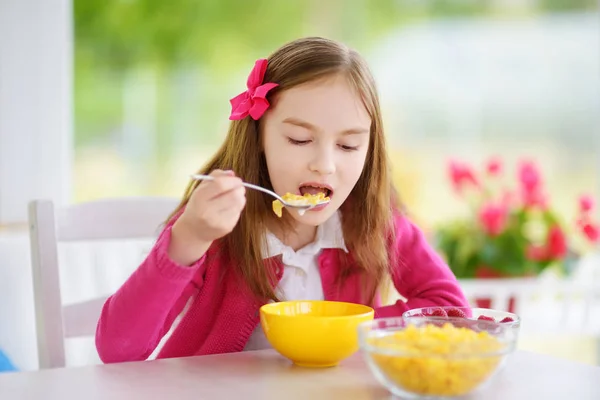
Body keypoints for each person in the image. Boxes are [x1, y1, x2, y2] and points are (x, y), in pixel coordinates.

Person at [95, 36, 468, 363]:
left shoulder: (371, 219)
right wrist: (189, 238)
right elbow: (118, 350)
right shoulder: (214, 226)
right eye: (300, 140)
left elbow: (453, 310)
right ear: (259, 137)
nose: (324, 165)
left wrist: (352, 329)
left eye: (348, 145)